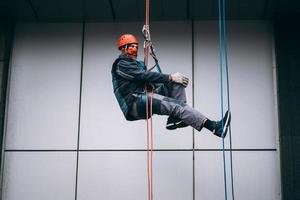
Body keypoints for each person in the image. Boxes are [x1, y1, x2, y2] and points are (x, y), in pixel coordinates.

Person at [111, 34, 231, 138]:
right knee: (177, 105)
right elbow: (144, 76)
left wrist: (171, 80)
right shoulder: (121, 64)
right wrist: (169, 77)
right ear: (123, 48)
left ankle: (175, 119)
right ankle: (214, 127)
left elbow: (149, 79)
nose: (135, 49)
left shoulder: (135, 65)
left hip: (142, 98)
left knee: (175, 82)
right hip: (135, 102)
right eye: (132, 46)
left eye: (136, 47)